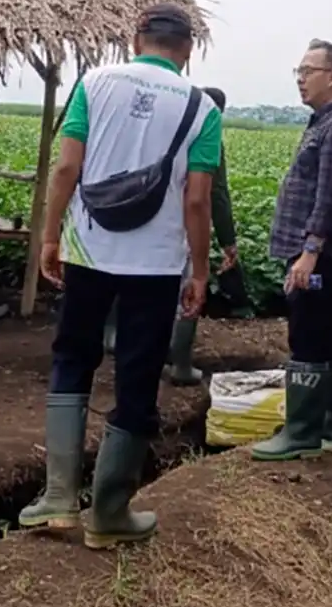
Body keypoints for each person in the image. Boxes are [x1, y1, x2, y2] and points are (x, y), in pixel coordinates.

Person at [18, 2, 221, 548]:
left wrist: (52, 234)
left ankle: (58, 498)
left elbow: (66, 168)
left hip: (87, 251)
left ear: (137, 39)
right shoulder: (202, 108)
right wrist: (198, 272)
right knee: (136, 375)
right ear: (188, 50)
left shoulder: (94, 82)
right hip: (155, 265)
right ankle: (108, 514)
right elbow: (197, 200)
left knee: (72, 357)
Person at [251, 39, 332, 461]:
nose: (300, 79)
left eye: (308, 71)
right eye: (297, 72)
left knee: (306, 335)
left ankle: (302, 432)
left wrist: (309, 253)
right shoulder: (325, 122)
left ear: (331, 76)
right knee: (325, 335)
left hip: (316, 254)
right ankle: (329, 427)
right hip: (312, 251)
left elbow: (328, 196)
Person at [99, 84, 239, 386]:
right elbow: (214, 194)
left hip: (140, 218)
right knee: (189, 290)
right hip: (181, 226)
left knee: (127, 278)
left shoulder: (159, 128)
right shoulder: (207, 134)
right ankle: (181, 364)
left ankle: (113, 337)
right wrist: (228, 239)